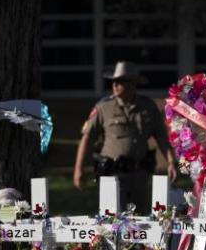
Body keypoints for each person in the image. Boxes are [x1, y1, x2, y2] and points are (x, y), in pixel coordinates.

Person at [73, 62, 177, 213]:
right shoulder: (103, 107)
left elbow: (161, 136)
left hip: (139, 173)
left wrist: (171, 161)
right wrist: (78, 169)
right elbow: (87, 137)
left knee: (141, 218)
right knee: (113, 219)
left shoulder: (148, 106)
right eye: (114, 81)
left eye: (121, 82)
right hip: (112, 173)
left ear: (133, 84)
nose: (115, 85)